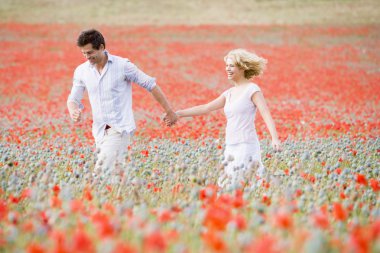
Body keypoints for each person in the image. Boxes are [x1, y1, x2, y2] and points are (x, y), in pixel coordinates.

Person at [67, 29, 178, 175]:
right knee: (115, 178)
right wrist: (73, 111)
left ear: (101, 47)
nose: (87, 57)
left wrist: (169, 111)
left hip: (119, 129)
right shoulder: (82, 71)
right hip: (99, 131)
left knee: (100, 174)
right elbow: (73, 99)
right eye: (84, 53)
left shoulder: (123, 66)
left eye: (90, 52)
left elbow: (151, 84)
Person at [169, 49, 281, 188]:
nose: (227, 69)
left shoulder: (252, 89)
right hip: (231, 145)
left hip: (246, 144)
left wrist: (274, 138)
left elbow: (266, 114)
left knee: (245, 181)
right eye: (227, 65)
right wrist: (178, 113)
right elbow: (206, 108)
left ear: (242, 67)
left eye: (231, 66)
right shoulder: (228, 93)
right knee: (227, 184)